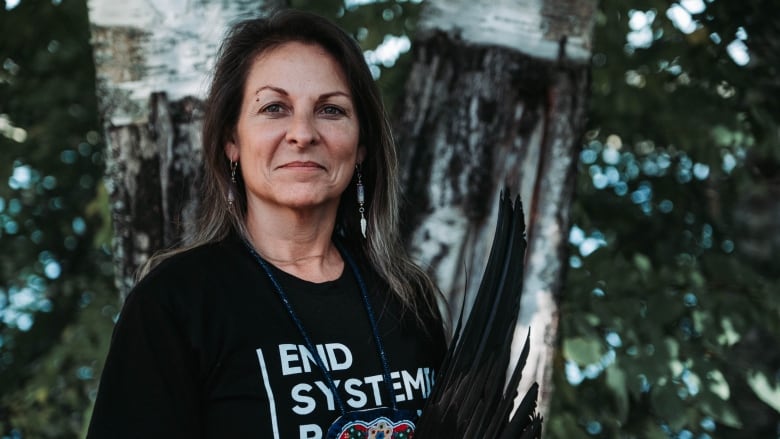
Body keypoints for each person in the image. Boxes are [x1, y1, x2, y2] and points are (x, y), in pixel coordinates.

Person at [86, 9, 446, 439]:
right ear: (231, 141)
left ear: (361, 144)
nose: (302, 133)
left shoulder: (407, 296)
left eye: (331, 110)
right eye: (274, 108)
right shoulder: (175, 303)